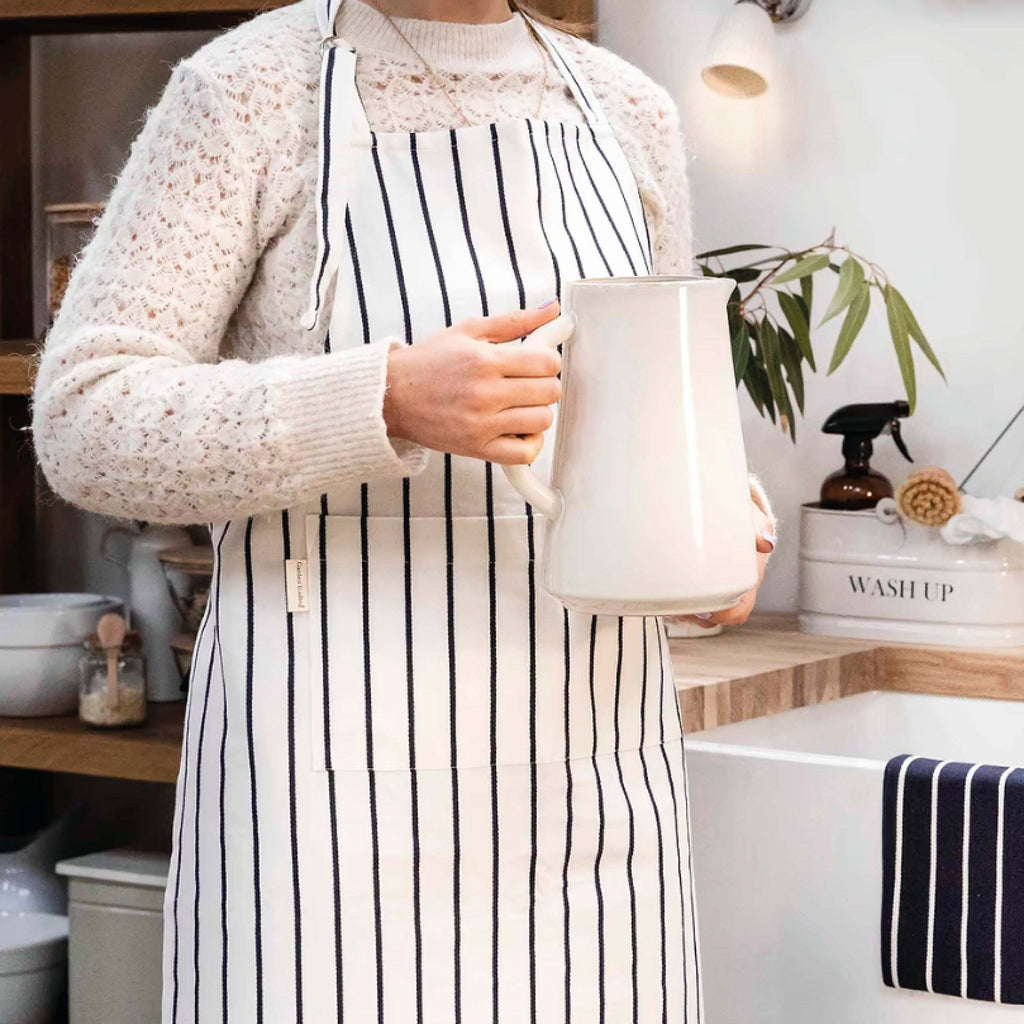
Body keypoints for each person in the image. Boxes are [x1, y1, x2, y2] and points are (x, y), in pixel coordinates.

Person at [31, 0, 777, 1020]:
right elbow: (84, 419)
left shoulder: (624, 109)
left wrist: (708, 520)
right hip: (329, 792)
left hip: (592, 784)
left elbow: (654, 405)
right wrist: (379, 397)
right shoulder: (248, 90)